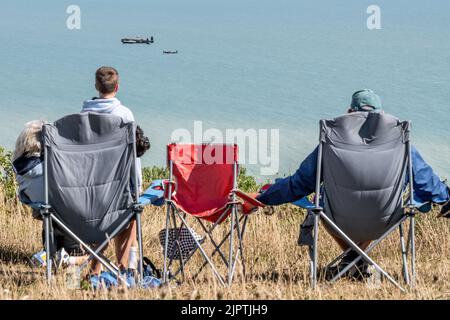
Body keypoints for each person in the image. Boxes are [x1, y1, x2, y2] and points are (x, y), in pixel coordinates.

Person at [253, 89, 450, 280]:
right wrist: (446, 198)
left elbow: (299, 184)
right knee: (374, 202)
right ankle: (357, 259)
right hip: (385, 220)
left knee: (319, 199)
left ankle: (353, 258)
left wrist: (264, 197)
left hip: (337, 220)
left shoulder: (330, 141)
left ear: (349, 113)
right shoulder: (401, 143)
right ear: (380, 114)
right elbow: (426, 182)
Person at [81, 66, 146, 275]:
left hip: (90, 190)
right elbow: (132, 156)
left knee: (99, 218)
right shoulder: (124, 115)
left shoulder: (84, 115)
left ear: (95, 86)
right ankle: (123, 270)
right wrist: (138, 186)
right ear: (117, 87)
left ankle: (94, 270)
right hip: (118, 189)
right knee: (129, 218)